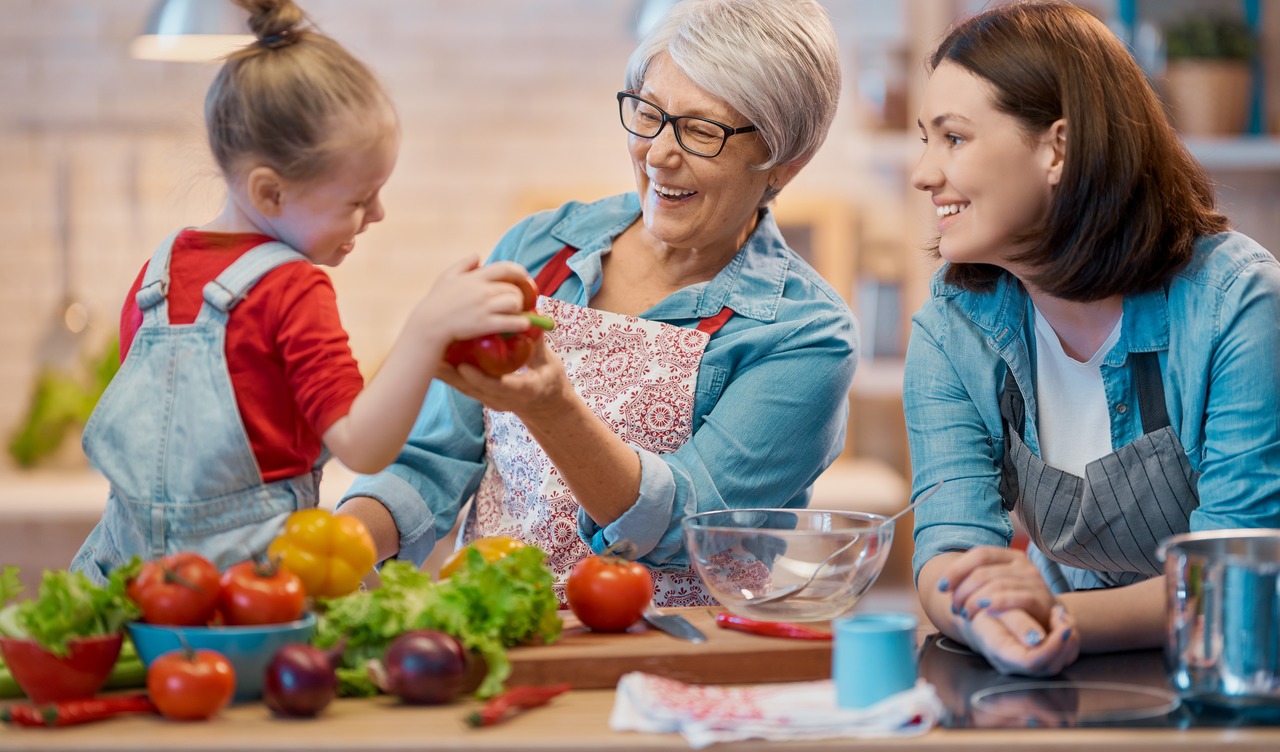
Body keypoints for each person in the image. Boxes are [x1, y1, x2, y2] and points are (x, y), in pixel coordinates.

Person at [337, 0, 855, 606]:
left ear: (783, 164)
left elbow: (691, 527)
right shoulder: (539, 250)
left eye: (701, 130)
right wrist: (327, 547)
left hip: (682, 653)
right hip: (501, 632)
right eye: (649, 113)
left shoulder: (805, 333)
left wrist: (553, 409)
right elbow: (428, 463)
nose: (659, 154)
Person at [70, 0, 533, 583]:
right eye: (358, 200)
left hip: (132, 583)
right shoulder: (293, 287)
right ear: (270, 193)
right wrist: (425, 330)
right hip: (247, 592)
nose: (378, 214)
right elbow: (361, 446)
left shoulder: (156, 275)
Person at [905, 0, 1280, 676]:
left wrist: (1059, 616)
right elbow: (947, 547)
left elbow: (1235, 577)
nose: (924, 173)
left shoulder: (1236, 303)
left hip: (1229, 677)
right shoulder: (951, 328)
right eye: (923, 140)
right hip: (1059, 672)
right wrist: (992, 622)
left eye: (953, 138)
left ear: (1059, 148)